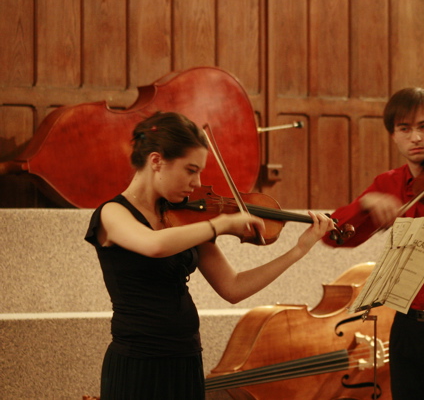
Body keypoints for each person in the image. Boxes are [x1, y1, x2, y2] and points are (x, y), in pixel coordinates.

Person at [85, 111, 334, 399]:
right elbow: (153, 245)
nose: (196, 182)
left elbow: (233, 287)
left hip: (185, 358)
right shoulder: (112, 213)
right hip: (137, 363)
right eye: (191, 170)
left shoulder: (183, 216)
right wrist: (222, 223)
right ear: (156, 161)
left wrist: (299, 250)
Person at [322, 87, 424, 399]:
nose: (415, 138)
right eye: (405, 128)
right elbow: (334, 236)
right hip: (407, 327)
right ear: (393, 135)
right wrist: (365, 204)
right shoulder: (388, 184)